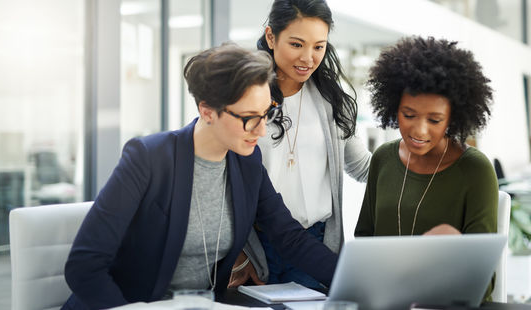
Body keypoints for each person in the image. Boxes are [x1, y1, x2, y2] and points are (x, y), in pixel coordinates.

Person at [62, 43, 338, 310]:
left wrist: (350, 278)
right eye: (249, 118)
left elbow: (288, 237)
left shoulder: (247, 162)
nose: (261, 130)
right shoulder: (148, 158)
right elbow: (84, 265)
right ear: (207, 111)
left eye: (266, 114)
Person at [228, 0, 371, 289]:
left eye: (319, 47)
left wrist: (424, 156)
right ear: (271, 37)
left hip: (315, 246)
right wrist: (239, 252)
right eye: (296, 44)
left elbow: (363, 167)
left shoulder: (332, 101)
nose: (308, 57)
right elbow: (223, 181)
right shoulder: (243, 98)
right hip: (256, 249)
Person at [354, 36, 498, 301]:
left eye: (435, 119)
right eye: (408, 115)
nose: (419, 130)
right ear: (393, 107)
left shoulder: (475, 171)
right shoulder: (383, 158)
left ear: (453, 118)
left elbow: (483, 279)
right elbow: (364, 240)